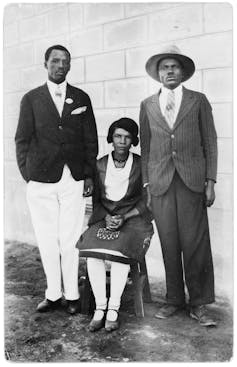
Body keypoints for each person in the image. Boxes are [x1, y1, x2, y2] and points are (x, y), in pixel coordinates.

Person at [15, 45, 98, 314]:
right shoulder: (31, 99)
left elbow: (90, 141)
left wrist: (87, 175)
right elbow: (22, 140)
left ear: (70, 66)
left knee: (71, 237)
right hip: (41, 180)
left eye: (65, 61)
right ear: (46, 64)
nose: (60, 65)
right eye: (55, 61)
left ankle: (72, 294)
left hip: (72, 179)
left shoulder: (81, 97)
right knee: (47, 238)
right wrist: (29, 174)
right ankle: (52, 294)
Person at [139, 45, 218, 327]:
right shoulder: (147, 105)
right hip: (160, 184)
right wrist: (147, 185)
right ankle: (174, 299)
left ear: (182, 71)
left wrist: (210, 181)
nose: (169, 71)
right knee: (169, 242)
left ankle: (199, 303)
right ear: (158, 74)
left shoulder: (198, 101)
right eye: (164, 67)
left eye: (174, 66)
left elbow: (209, 142)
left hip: (191, 182)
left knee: (195, 243)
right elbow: (146, 148)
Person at [77, 117, 153, 332]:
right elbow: (98, 200)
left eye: (127, 137)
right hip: (105, 217)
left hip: (134, 219)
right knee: (92, 251)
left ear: (133, 141)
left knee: (121, 251)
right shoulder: (99, 164)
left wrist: (125, 217)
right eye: (118, 136)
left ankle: (113, 309)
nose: (122, 141)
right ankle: (100, 308)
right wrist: (107, 217)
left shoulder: (140, 164)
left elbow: (147, 199)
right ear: (111, 138)